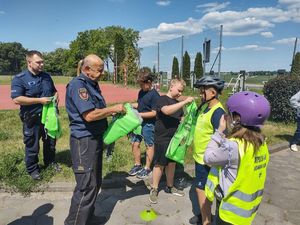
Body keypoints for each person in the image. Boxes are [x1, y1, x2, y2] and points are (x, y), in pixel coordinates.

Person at [64, 54, 125, 225]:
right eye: (99, 70)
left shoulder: (92, 84)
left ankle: (88, 218)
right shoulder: (78, 86)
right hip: (84, 140)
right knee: (86, 186)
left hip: (94, 139)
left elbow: (97, 110)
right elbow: (89, 115)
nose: (102, 73)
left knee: (95, 182)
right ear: (86, 69)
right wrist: (112, 109)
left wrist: (111, 112)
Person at [204, 91, 271, 225]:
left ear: (237, 118)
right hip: (247, 211)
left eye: (229, 113)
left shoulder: (233, 146)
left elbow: (208, 158)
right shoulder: (261, 143)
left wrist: (219, 132)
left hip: (230, 212)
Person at [11, 50, 61, 181]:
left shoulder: (46, 76)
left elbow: (54, 91)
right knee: (32, 145)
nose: (42, 64)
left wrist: (56, 98)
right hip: (32, 118)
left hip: (49, 118)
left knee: (50, 142)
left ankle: (50, 163)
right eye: (38, 62)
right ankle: (33, 169)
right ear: (29, 62)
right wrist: (39, 100)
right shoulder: (19, 78)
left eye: (42, 61)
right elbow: (17, 99)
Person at [149, 78, 194, 204]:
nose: (180, 93)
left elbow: (180, 119)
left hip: (174, 138)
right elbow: (167, 111)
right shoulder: (162, 99)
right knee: (160, 163)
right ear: (171, 86)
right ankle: (154, 188)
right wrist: (183, 102)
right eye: (179, 90)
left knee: (172, 163)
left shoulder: (177, 103)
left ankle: (170, 186)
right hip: (162, 137)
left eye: (182, 91)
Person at [190, 76, 226, 225]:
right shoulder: (206, 107)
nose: (200, 94)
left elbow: (223, 139)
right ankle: (205, 215)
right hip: (200, 157)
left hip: (208, 160)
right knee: (205, 189)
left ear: (212, 92)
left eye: (202, 91)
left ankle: (206, 221)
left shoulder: (218, 112)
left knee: (201, 189)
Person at [128, 70, 160, 179]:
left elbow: (154, 112)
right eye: (139, 85)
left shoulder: (155, 95)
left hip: (149, 124)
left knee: (149, 145)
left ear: (149, 82)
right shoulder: (141, 92)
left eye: (142, 84)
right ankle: (137, 165)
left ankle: (147, 168)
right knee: (134, 143)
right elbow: (141, 104)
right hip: (138, 123)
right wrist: (132, 105)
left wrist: (139, 114)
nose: (141, 87)